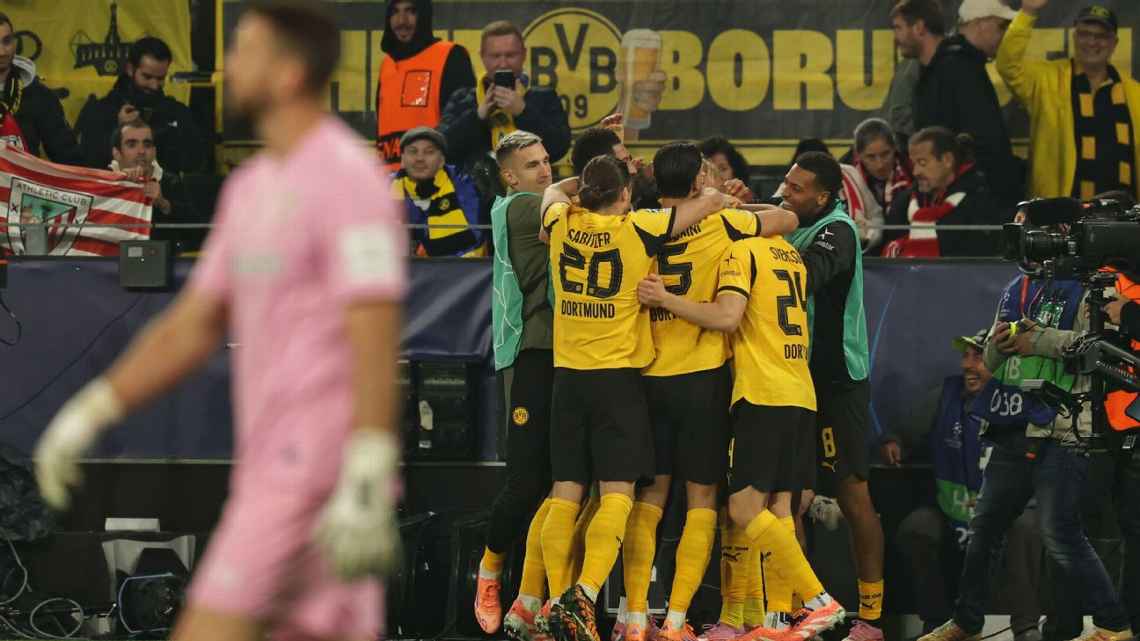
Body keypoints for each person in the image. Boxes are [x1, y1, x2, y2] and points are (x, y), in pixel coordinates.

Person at [33, 4, 405, 641]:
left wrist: (368, 467)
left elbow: (374, 325)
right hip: (268, 465)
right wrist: (92, 408)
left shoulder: (348, 178)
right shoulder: (250, 187)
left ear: (288, 72)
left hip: (316, 474)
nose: (230, 64)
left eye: (246, 49)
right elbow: (193, 324)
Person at [637, 168, 848, 641]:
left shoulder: (738, 250)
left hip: (761, 392)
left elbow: (728, 316)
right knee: (779, 509)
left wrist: (666, 298)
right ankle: (776, 622)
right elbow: (785, 218)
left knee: (744, 509)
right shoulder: (789, 253)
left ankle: (819, 601)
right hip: (800, 390)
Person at [537, 156, 737, 641]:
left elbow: (550, 193)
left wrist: (580, 184)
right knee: (618, 495)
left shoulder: (561, 222)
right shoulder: (639, 228)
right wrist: (716, 194)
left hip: (567, 379)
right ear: (625, 195)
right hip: (618, 380)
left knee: (565, 493)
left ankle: (553, 604)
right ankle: (584, 595)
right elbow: (702, 205)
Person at [620, 142, 797, 641]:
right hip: (702, 378)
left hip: (648, 375)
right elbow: (787, 219)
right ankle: (677, 621)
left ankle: (636, 619)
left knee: (649, 499)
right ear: (699, 182)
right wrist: (731, 202)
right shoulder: (724, 224)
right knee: (701, 500)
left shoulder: (640, 222)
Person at [919, 262, 1133, 641]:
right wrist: (999, 348)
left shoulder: (1096, 285)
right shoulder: (1016, 287)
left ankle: (1113, 624)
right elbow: (990, 357)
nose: (1029, 242)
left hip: (1064, 425)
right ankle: (967, 622)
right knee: (985, 528)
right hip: (1012, 422)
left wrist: (1037, 341)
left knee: (1060, 533)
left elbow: (1102, 349)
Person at [780, 152, 884, 641]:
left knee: (853, 493)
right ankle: (800, 614)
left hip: (837, 382)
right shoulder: (793, 220)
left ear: (823, 197)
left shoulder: (837, 231)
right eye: (786, 183)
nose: (786, 193)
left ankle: (872, 619)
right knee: (787, 500)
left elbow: (802, 275)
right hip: (792, 380)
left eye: (796, 189)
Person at [883, 329, 1043, 641]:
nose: (967, 365)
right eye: (965, 356)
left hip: (1005, 512)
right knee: (917, 528)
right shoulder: (945, 396)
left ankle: (1026, 627)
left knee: (1026, 527)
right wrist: (894, 440)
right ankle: (938, 623)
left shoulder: (1018, 400)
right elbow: (905, 431)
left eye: (978, 357)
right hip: (952, 512)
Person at [474, 130, 555, 638]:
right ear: (509, 176)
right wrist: (606, 164)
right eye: (532, 165)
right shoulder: (522, 206)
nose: (544, 170)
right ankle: (489, 571)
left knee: (563, 486)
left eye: (546, 161)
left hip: (574, 355)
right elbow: (590, 193)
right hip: (529, 353)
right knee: (527, 480)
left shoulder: (549, 203)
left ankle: (532, 601)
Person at [997, 2, 1140, 202]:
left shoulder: (1134, 93)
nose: (1092, 42)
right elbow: (1008, 65)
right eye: (1085, 34)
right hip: (1059, 212)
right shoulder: (1046, 79)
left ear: (1114, 43)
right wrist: (1028, 12)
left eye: (1101, 36)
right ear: (1074, 36)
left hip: (1122, 213)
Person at [891, 0, 1024, 210]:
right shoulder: (953, 68)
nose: (1004, 35)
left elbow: (982, 139)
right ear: (981, 23)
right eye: (1002, 26)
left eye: (898, 28)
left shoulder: (954, 67)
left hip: (967, 204)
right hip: (966, 203)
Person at [440, 21, 571, 194]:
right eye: (495, 56)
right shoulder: (463, 98)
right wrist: (478, 116)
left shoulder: (543, 97)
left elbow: (559, 147)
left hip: (533, 197)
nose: (503, 64)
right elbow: (443, 150)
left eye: (510, 55)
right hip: (474, 198)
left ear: (523, 54)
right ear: (482, 56)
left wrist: (523, 112)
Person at [75, 36, 207, 175]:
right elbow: (88, 166)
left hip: (162, 188)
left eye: (160, 78)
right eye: (147, 77)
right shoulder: (100, 111)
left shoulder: (176, 113)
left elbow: (195, 164)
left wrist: (169, 135)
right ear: (130, 69)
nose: (154, 85)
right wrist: (117, 130)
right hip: (113, 188)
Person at [376, 0, 475, 171]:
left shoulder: (451, 56)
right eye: (394, 12)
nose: (401, 21)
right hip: (390, 180)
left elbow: (464, 126)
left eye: (410, 11)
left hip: (438, 179)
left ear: (424, 15)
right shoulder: (386, 65)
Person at [882, 127, 1000, 257]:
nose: (915, 172)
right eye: (914, 164)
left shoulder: (978, 201)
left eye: (922, 162)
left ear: (947, 160)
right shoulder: (906, 201)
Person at [0, 13, 83, 164]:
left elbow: (69, 158)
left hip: (24, 179)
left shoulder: (40, 96)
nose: (2, 52)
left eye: (7, 41)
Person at [391, 126, 485, 257]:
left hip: (456, 266)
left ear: (441, 161)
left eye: (429, 152)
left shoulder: (462, 184)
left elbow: (473, 239)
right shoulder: (384, 187)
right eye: (413, 152)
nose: (420, 158)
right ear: (402, 160)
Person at [109, 118, 199, 253]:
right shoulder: (102, 182)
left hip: (160, 261)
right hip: (110, 261)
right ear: (116, 153)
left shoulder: (170, 182)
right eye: (132, 144)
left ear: (154, 151)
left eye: (147, 145)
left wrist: (163, 204)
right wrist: (120, 185)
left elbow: (198, 233)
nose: (141, 151)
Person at [843, 118, 912, 252]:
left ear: (894, 148)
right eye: (871, 157)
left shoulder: (912, 170)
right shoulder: (845, 180)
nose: (880, 164)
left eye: (885, 154)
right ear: (858, 155)